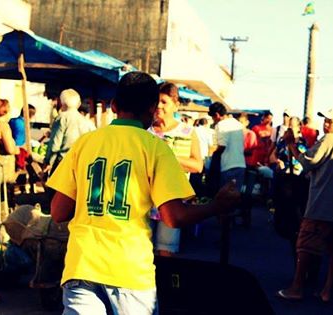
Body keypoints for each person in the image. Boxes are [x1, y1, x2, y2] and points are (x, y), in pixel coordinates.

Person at [47, 71, 240, 315]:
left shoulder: (86, 143)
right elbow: (174, 217)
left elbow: (58, 211)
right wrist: (217, 206)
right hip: (129, 272)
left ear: (114, 105)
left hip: (81, 266)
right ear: (152, 109)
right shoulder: (155, 148)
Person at [277, 108, 333, 303]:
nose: (325, 124)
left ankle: (296, 288)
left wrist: (291, 145)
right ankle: (327, 290)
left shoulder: (329, 140)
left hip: (321, 204)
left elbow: (307, 162)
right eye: (325, 120)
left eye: (329, 121)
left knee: (305, 246)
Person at [148, 82, 203, 257]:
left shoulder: (187, 131)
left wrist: (168, 157)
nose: (159, 106)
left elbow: (197, 166)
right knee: (142, 253)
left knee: (166, 251)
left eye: (164, 102)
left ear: (176, 104)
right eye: (156, 101)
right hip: (144, 201)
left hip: (172, 203)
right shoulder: (146, 131)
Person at [272, 116, 309, 252]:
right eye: (289, 125)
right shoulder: (282, 142)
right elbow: (273, 155)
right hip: (284, 175)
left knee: (296, 203)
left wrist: (291, 145)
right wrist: (278, 161)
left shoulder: (303, 143)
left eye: (293, 125)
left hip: (297, 177)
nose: (290, 128)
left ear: (299, 127)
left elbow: (304, 160)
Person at [43, 89, 94, 174]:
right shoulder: (89, 123)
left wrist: (48, 162)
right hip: (81, 166)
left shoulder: (62, 118)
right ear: (79, 104)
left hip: (63, 164)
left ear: (61, 103)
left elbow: (55, 145)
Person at [208, 102, 246, 192]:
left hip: (228, 166)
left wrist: (213, 155)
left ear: (217, 115)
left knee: (224, 198)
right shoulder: (238, 124)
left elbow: (222, 146)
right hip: (241, 165)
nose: (213, 120)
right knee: (235, 196)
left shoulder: (221, 125)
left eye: (213, 117)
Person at [0, 99, 20, 184]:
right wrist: (17, 150)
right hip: (1, 169)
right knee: (3, 195)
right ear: (5, 110)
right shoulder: (3, 125)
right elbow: (10, 149)